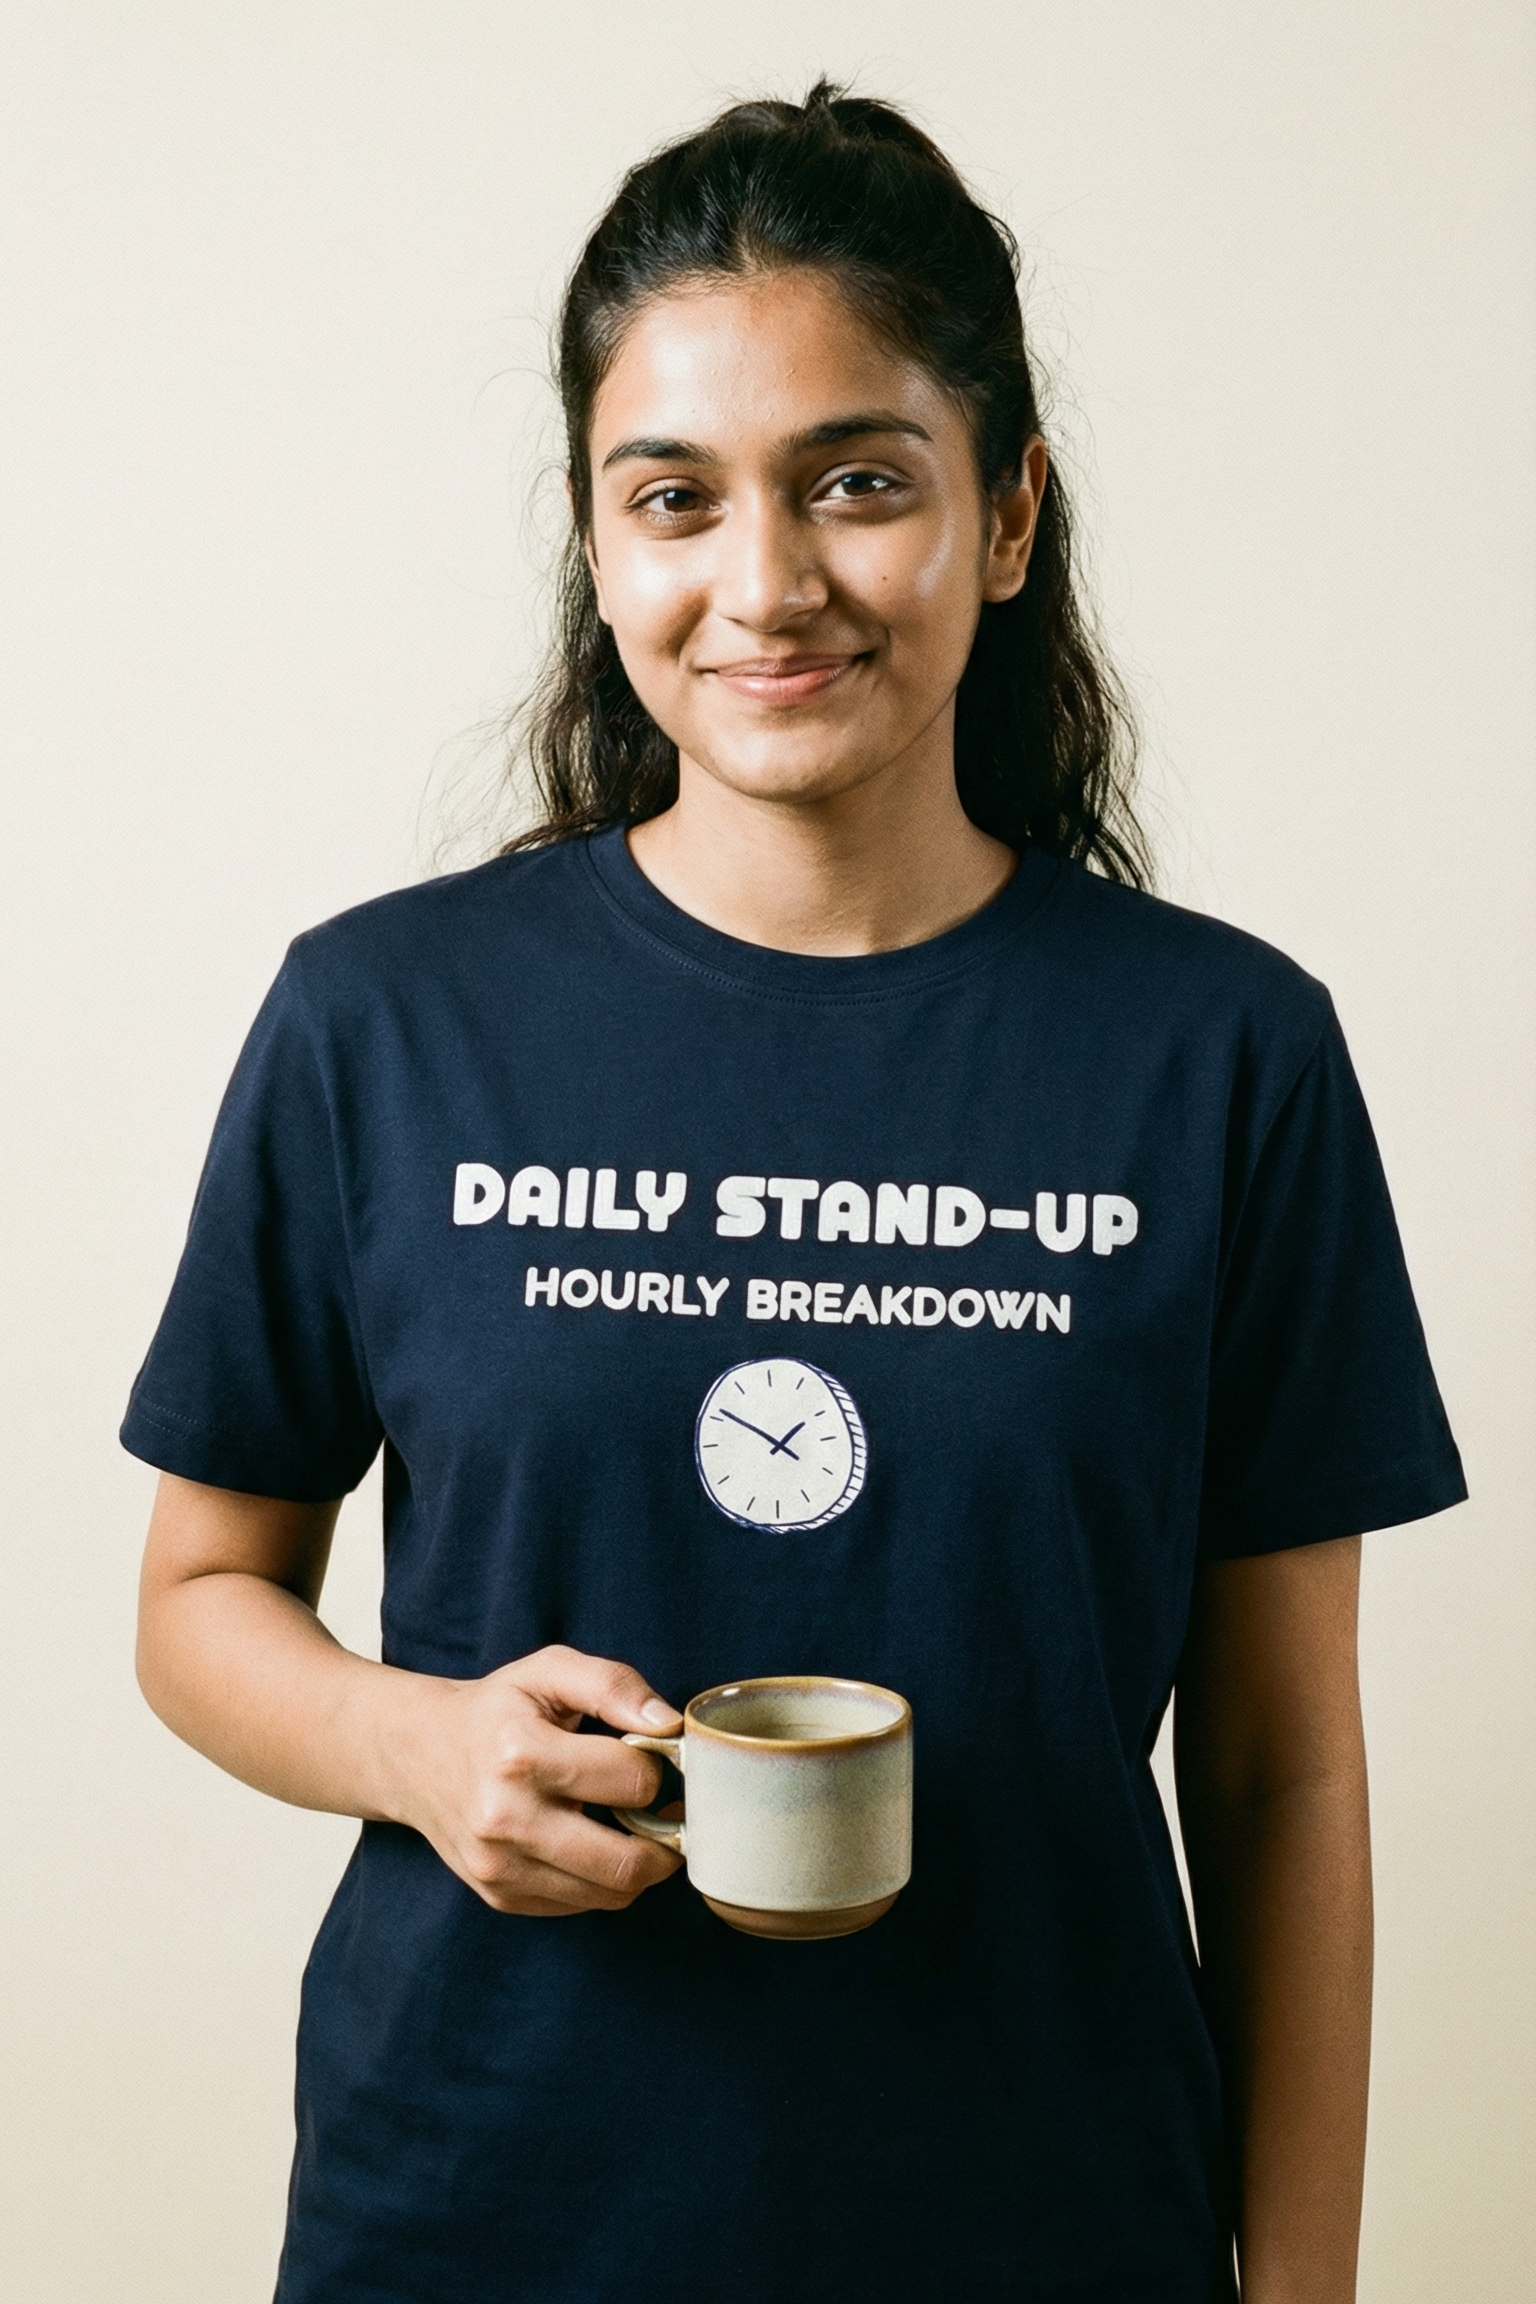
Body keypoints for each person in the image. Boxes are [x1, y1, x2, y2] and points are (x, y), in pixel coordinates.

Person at [126, 84, 1465, 2304]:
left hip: (1047, 2231)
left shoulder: (1221, 1056)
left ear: (1008, 513)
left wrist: (1301, 2287)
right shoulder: (384, 1018)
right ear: (596, 537)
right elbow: (196, 1594)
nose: (766, 582)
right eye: (675, 499)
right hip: (475, 2224)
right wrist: (424, 1745)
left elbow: (1280, 1772)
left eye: (860, 480)